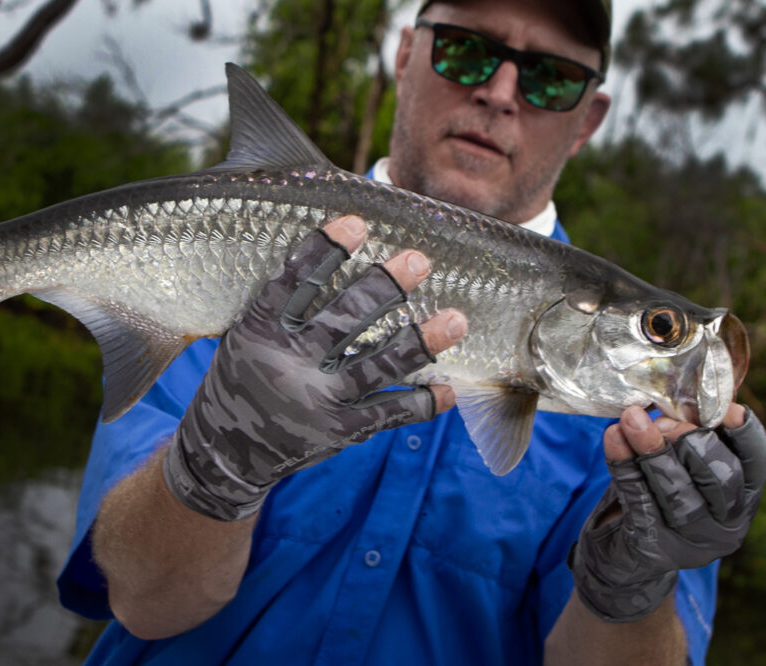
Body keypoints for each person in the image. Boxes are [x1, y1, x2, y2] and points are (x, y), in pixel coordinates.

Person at [57, 0, 766, 664]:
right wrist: (211, 472)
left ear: (588, 119)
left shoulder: (633, 434)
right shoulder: (241, 266)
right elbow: (144, 601)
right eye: (465, 53)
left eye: (551, 78)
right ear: (405, 54)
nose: (498, 92)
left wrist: (628, 590)